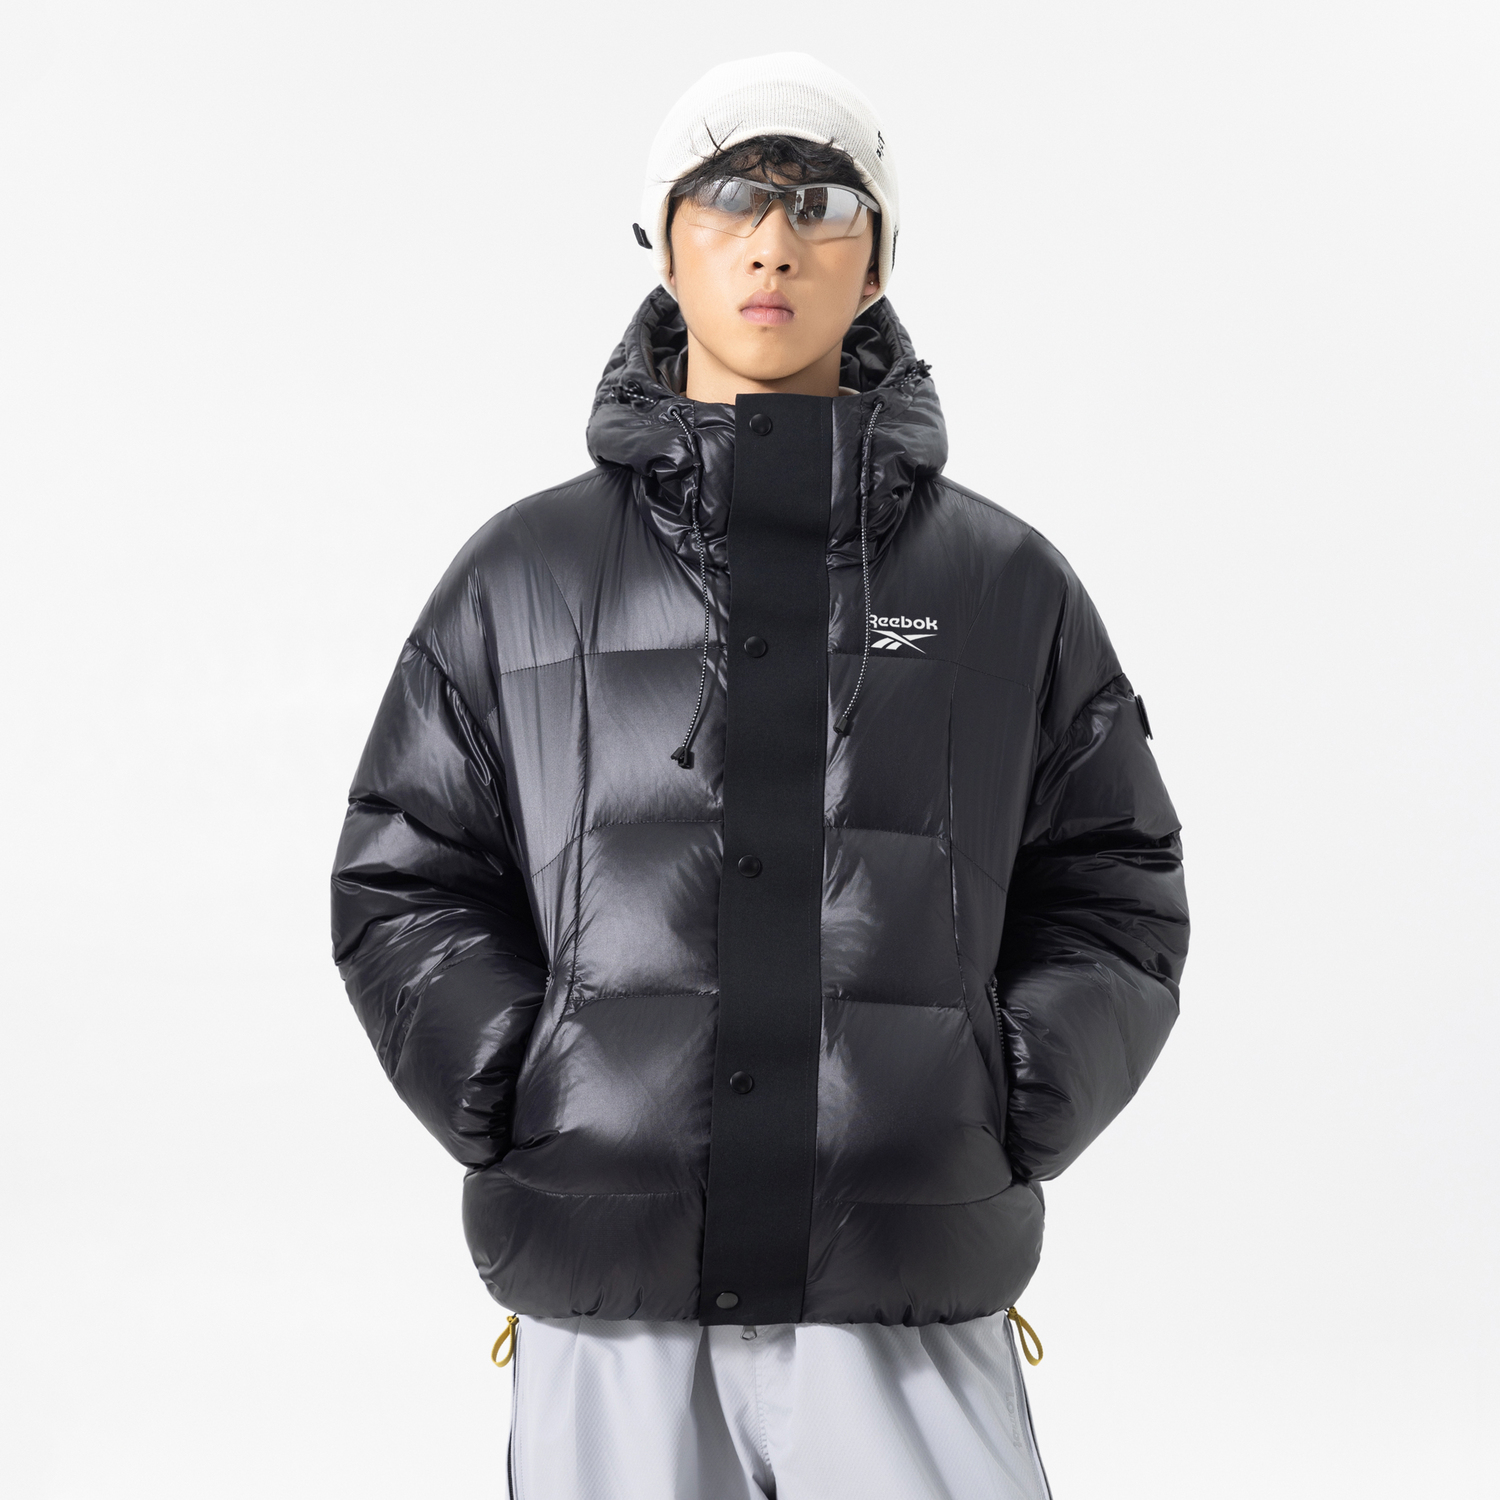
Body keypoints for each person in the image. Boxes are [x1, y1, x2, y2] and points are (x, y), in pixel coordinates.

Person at [330, 50, 1189, 1500]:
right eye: (729, 197)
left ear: (880, 258)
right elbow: (406, 873)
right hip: (606, 1277)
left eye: (822, 202)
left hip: (902, 1275)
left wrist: (1002, 1101)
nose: (774, 240)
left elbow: (1115, 887)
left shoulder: (1003, 584)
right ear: (665, 246)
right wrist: (529, 1082)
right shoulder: (523, 574)